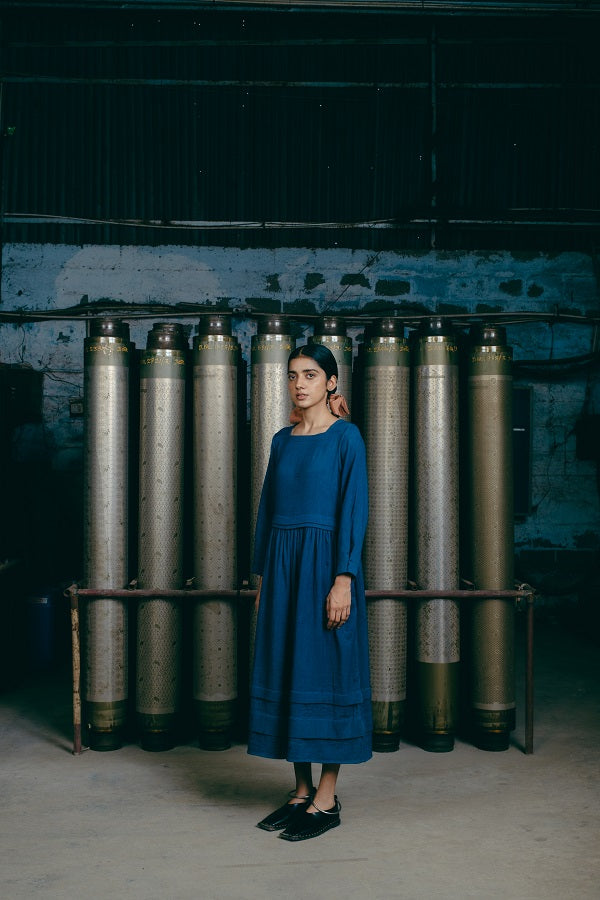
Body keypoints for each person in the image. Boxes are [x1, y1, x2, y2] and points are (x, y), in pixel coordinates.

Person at [248, 342, 372, 842]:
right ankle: (300, 791)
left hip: (324, 567)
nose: (299, 384)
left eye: (311, 375)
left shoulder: (347, 437)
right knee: (287, 668)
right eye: (293, 375)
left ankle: (327, 797)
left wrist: (344, 578)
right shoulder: (282, 439)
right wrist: (262, 578)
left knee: (328, 671)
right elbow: (266, 510)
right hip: (282, 567)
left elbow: (354, 510)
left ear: (331, 382)